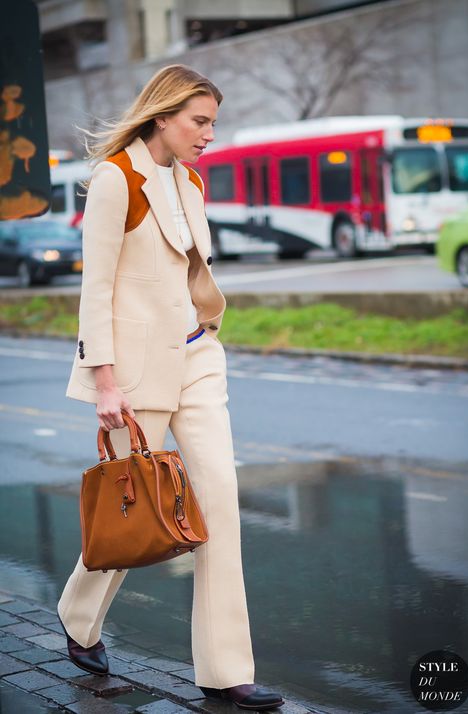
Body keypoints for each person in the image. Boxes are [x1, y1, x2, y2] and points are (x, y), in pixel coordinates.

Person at [56, 64, 284, 710]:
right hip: (133, 372)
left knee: (218, 496)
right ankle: (78, 617)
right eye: (199, 121)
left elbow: (188, 268)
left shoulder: (190, 182)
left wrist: (208, 324)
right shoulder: (116, 180)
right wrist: (103, 381)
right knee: (137, 511)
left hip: (197, 358)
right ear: (162, 116)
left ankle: (226, 670)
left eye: (213, 122)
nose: (209, 135)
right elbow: (94, 288)